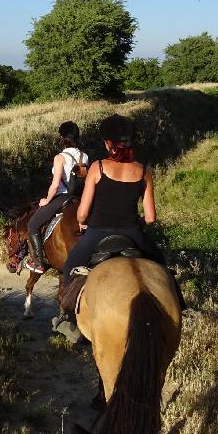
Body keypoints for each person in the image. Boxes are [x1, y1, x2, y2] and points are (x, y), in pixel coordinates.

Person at [59, 114, 185, 316]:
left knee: (70, 268)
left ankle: (67, 315)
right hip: (132, 233)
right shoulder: (144, 170)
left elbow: (82, 214)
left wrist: (84, 223)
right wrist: (139, 223)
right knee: (162, 267)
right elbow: (151, 218)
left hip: (97, 232)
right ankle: (178, 305)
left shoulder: (97, 167)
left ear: (108, 144)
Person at [25, 121, 89, 274]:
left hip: (62, 197)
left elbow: (55, 185)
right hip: (79, 198)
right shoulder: (84, 156)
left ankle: (39, 262)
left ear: (62, 137)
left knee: (32, 225)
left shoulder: (60, 157)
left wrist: (47, 200)